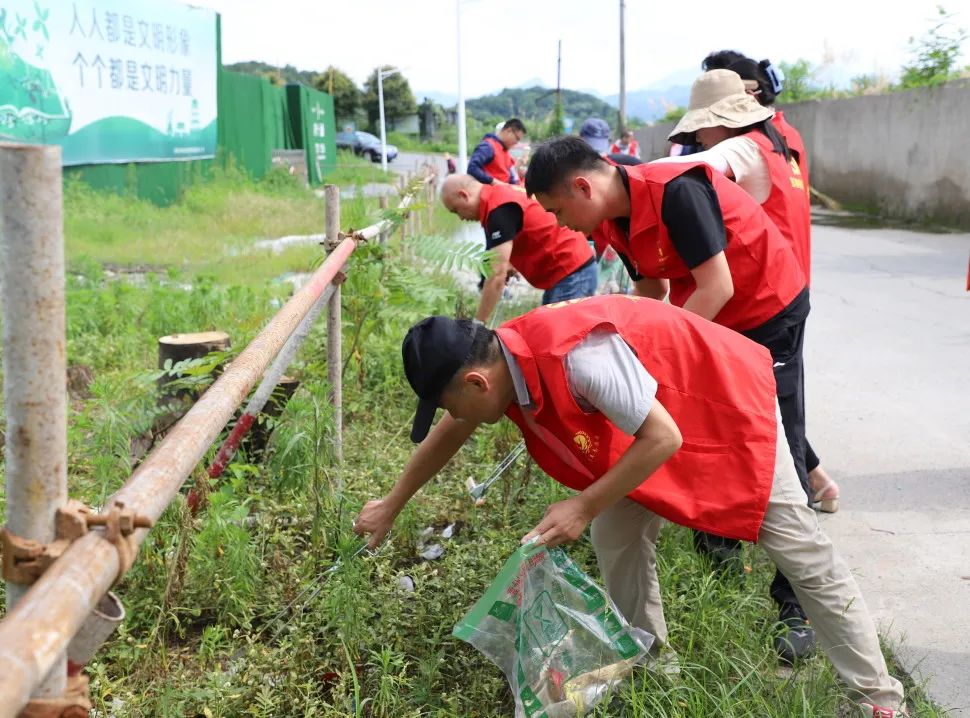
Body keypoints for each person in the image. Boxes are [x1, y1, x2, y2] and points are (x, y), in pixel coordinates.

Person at [352, 296, 907, 718]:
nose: (455, 417)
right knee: (616, 538)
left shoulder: (576, 358)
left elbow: (664, 438)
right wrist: (392, 504)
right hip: (647, 429)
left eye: (450, 404)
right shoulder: (504, 362)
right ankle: (652, 665)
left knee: (801, 553)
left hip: (723, 403)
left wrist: (582, 506)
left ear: (476, 382)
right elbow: (452, 431)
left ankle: (879, 701)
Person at [526, 136, 821, 663]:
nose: (562, 226)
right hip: (713, 317)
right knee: (700, 427)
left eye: (558, 212)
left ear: (582, 187)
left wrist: (655, 366)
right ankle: (721, 546)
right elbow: (653, 296)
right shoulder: (614, 220)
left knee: (776, 442)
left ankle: (796, 604)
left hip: (765, 311)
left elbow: (718, 286)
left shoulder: (676, 191)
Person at [664, 65, 838, 513]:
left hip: (765, 299)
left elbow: (694, 167)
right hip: (786, 289)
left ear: (723, 118)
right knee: (777, 404)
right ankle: (814, 485)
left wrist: (619, 176)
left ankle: (796, 526)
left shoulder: (741, 149)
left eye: (702, 126)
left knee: (774, 413)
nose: (698, 137)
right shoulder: (779, 141)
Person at [441, 174, 597, 322]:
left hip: (573, 273)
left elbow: (496, 276)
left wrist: (478, 324)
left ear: (464, 195)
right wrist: (510, 262)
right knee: (549, 331)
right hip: (569, 271)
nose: (461, 217)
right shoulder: (499, 195)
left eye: (456, 210)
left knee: (560, 336)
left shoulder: (499, 209)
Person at [466, 118, 527, 186]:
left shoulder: (505, 152)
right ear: (509, 131)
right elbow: (472, 168)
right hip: (490, 190)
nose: (516, 143)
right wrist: (494, 182)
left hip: (506, 189)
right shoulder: (488, 147)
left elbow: (512, 177)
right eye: (517, 138)